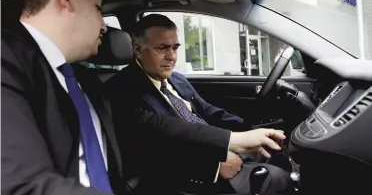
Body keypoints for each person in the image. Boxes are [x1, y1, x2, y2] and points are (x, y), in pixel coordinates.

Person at [2, 0, 286, 195]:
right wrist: (217, 159)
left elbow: (156, 125)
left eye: (176, 47)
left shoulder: (81, 80)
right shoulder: (9, 65)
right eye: (98, 8)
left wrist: (235, 137)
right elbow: (22, 184)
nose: (104, 26)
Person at [105, 14, 293, 194]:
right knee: (278, 180)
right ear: (137, 49)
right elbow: (153, 145)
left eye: (175, 47)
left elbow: (208, 112)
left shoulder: (176, 79)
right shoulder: (120, 90)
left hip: (216, 145)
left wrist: (247, 130)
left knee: (279, 158)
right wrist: (213, 165)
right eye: (162, 48)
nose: (172, 56)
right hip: (186, 174)